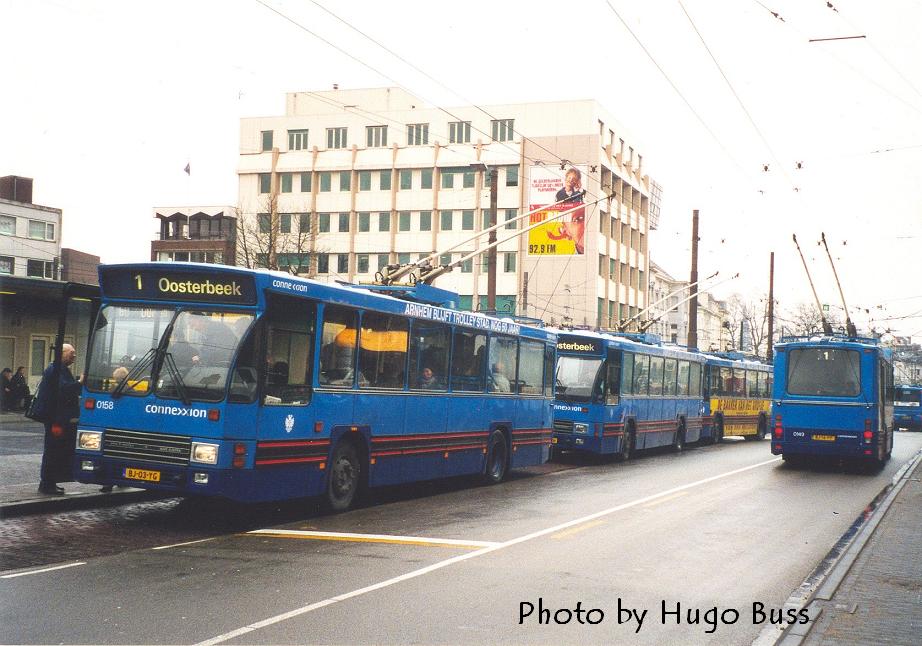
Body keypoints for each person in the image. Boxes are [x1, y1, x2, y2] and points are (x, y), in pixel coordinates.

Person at [35, 344, 82, 495]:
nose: (74, 357)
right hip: (56, 418)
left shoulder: (57, 368)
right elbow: (63, 389)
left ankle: (49, 482)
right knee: (53, 450)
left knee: (54, 450)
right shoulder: (56, 369)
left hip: (57, 417)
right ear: (61, 353)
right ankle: (48, 484)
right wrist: (79, 382)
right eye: (71, 353)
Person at [549, 168, 586, 254]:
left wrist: (578, 190)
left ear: (576, 182)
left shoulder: (578, 193)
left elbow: (579, 205)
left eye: (574, 179)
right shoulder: (560, 194)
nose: (571, 181)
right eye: (569, 178)